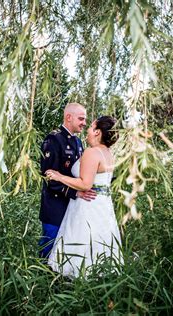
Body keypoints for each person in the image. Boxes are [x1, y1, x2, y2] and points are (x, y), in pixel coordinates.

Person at [45, 116, 122, 278]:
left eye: (91, 126)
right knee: (99, 239)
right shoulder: (108, 153)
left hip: (87, 205)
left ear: (97, 132)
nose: (87, 129)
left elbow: (85, 184)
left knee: (82, 240)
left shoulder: (92, 152)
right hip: (102, 205)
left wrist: (59, 176)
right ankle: (98, 278)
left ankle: (77, 280)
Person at [39, 103, 97, 258]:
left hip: (73, 207)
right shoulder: (53, 139)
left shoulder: (77, 142)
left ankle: (60, 281)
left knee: (65, 249)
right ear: (69, 117)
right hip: (55, 205)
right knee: (49, 248)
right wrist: (75, 193)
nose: (84, 123)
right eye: (81, 119)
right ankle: (43, 281)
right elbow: (48, 176)